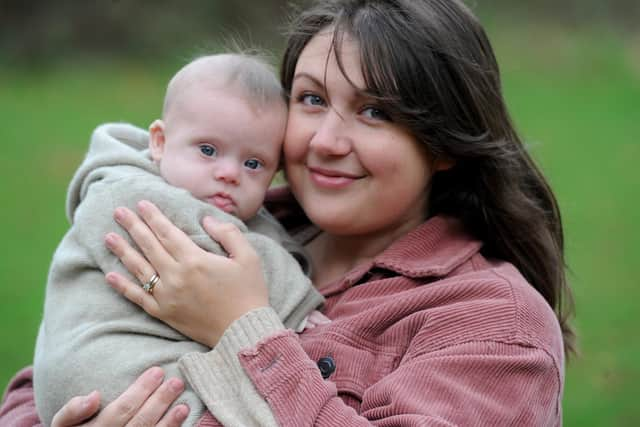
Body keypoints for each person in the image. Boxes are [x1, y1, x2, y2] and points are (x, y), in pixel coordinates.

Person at [1, 0, 575, 425]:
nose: (326, 139)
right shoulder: (204, 220)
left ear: (445, 144)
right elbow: (45, 370)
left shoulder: (495, 325)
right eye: (312, 99)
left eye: (375, 111)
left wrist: (243, 327)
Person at [31, 53, 325, 426]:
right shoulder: (126, 194)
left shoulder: (241, 213)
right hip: (102, 368)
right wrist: (295, 299)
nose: (229, 173)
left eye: (254, 164)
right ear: (159, 142)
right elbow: (219, 261)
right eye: (207, 150)